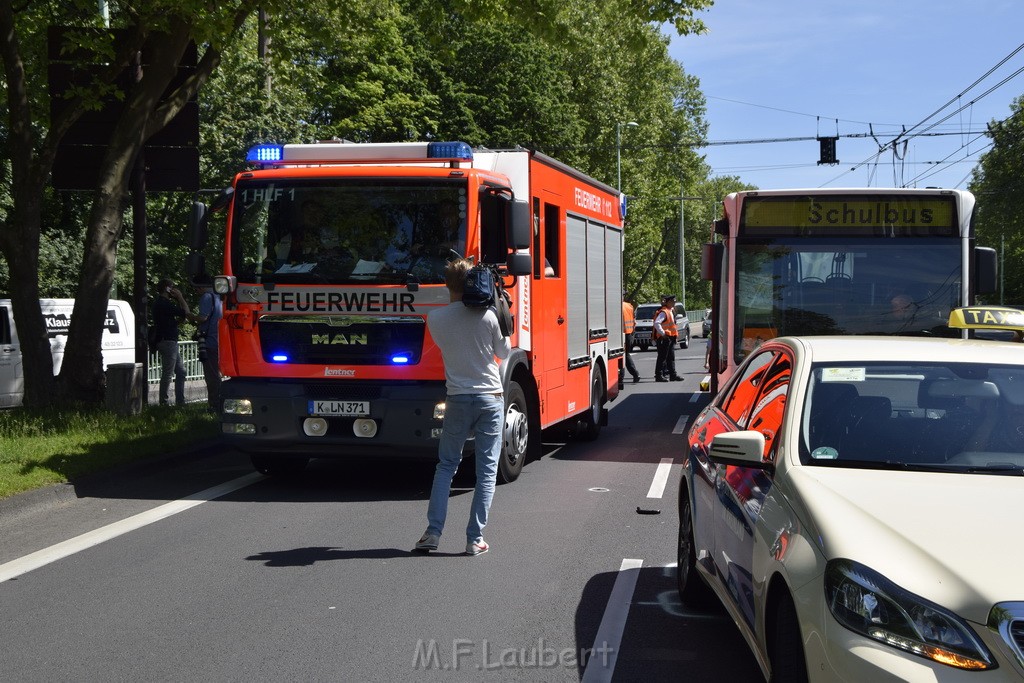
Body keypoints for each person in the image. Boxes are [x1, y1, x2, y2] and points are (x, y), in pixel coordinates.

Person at [415, 258, 511, 556]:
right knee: (486, 471)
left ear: (447, 285)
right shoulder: (488, 317)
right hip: (489, 398)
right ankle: (474, 538)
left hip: (457, 398)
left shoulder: (435, 318)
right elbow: (504, 352)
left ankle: (432, 533)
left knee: (446, 466)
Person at [152, 278, 196, 406]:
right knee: (168, 373)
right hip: (168, 342)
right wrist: (180, 297)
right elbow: (186, 312)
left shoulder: (161, 304)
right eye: (172, 287)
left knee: (181, 372)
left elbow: (169, 321)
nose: (174, 289)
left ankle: (180, 401)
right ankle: (164, 403)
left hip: (169, 341)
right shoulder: (164, 303)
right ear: (167, 288)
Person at [194, 280, 223, 413]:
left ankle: (214, 405)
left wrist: (190, 315)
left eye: (197, 288)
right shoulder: (220, 297)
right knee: (216, 373)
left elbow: (203, 318)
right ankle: (219, 403)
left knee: (211, 375)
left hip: (210, 341)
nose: (196, 291)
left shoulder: (206, 297)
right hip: (219, 340)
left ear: (202, 287)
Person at [653, 294, 683, 382]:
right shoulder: (664, 312)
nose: (674, 302)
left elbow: (673, 325)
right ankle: (658, 376)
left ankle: (673, 375)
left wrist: (675, 337)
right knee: (662, 357)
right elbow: (656, 323)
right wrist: (663, 334)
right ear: (668, 302)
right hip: (665, 338)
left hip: (671, 337)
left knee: (671, 357)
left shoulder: (671, 310)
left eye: (675, 301)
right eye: (673, 301)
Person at [622, 297, 640, 383]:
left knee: (623, 355)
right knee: (626, 354)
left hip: (621, 334)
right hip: (630, 333)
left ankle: (632, 374)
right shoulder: (629, 306)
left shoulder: (618, 307)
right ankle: (635, 374)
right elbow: (634, 321)